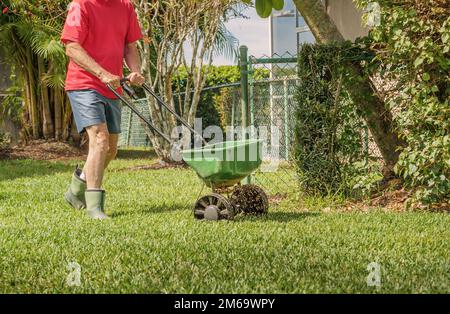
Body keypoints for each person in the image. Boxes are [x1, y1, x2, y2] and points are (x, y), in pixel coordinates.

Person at [61, 0, 144, 219]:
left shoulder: (126, 7)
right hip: (84, 84)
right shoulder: (82, 5)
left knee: (110, 150)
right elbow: (71, 47)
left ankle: (76, 190)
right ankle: (94, 206)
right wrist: (101, 73)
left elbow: (130, 47)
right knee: (100, 139)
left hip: (112, 86)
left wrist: (135, 71)